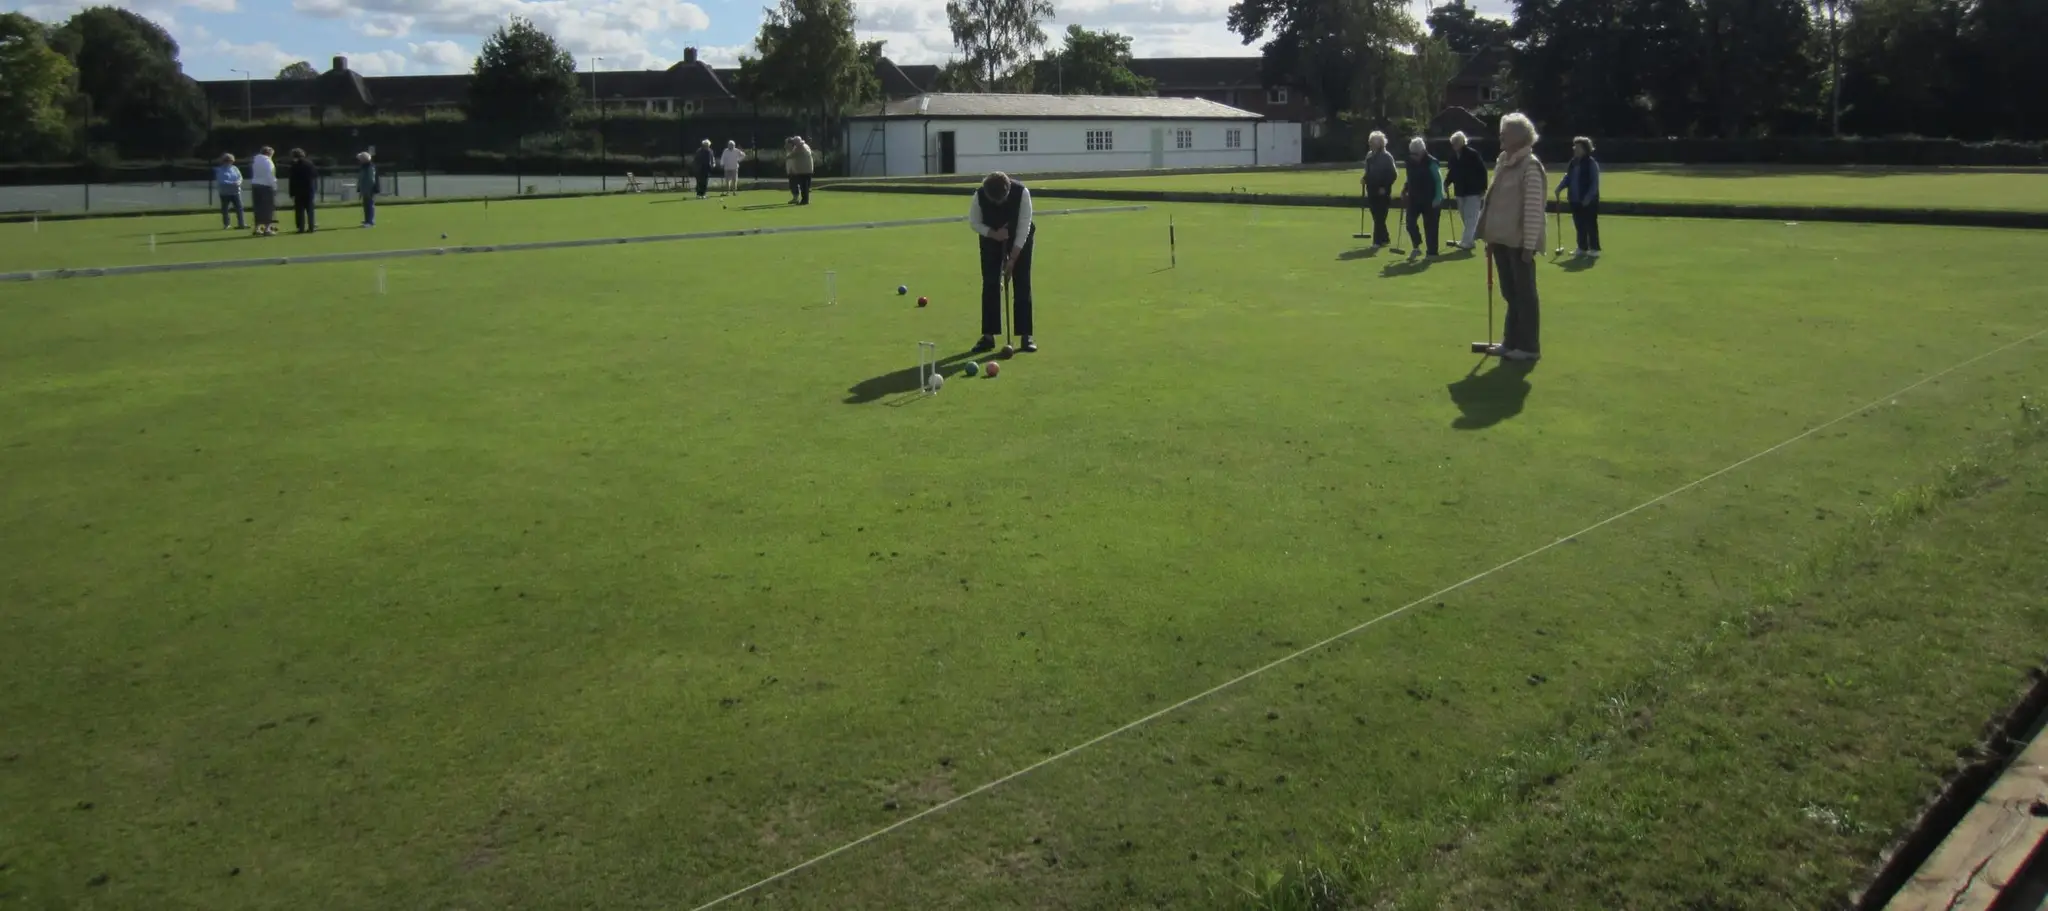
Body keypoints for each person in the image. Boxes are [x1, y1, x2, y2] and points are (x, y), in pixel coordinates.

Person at [1477, 113, 1548, 362]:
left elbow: (1532, 209)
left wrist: (1529, 246)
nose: (1501, 137)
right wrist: (1489, 235)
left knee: (1524, 294)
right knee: (1510, 293)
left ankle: (1529, 346)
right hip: (1501, 240)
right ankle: (1511, 342)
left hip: (1519, 243)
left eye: (1505, 133)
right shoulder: (1503, 162)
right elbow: (1494, 203)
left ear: (1519, 137)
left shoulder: (1530, 166)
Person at [968, 171, 1037, 354]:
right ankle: (988, 336)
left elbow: (1024, 227)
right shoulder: (979, 195)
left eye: (1001, 200)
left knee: (1022, 281)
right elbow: (974, 222)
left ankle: (1025, 335)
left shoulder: (1022, 193)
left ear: (1007, 192)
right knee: (990, 282)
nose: (998, 204)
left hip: (1020, 238)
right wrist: (993, 233)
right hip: (990, 237)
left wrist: (1012, 259)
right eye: (994, 201)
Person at [1400, 136, 1445, 261]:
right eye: (1412, 154)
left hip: (1431, 198)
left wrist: (1438, 197)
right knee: (1410, 222)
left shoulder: (1432, 162)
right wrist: (1404, 189)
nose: (1414, 156)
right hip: (1414, 198)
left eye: (1416, 154)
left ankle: (1432, 252)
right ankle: (1416, 246)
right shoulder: (1410, 162)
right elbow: (1410, 178)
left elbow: (1438, 181)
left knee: (1431, 226)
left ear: (1423, 151)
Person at [1556, 136, 1602, 258]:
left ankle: (1595, 248)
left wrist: (1588, 198)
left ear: (1585, 149)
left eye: (1578, 147)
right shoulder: (1573, 162)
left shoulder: (1591, 163)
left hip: (1589, 201)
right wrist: (1559, 187)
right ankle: (1582, 247)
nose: (1575, 149)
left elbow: (1594, 183)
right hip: (1575, 199)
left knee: (1590, 224)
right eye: (1574, 146)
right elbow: (1568, 177)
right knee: (1579, 224)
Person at [1445, 131, 1488, 250]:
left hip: (1473, 190)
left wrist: (1483, 188)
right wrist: (1446, 183)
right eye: (1452, 143)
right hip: (1460, 191)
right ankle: (1472, 238)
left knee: (1471, 217)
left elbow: (1482, 171)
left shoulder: (1472, 154)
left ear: (1462, 142)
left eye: (1456, 142)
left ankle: (1466, 242)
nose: (1454, 145)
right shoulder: (1454, 157)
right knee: (1465, 216)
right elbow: (1452, 172)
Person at [1359, 131, 1397, 248]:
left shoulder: (1386, 157)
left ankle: (1377, 242)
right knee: (1376, 216)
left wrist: (1384, 187)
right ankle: (1385, 238)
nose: (1370, 144)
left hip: (1383, 191)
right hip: (1371, 189)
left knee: (1380, 216)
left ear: (1380, 143)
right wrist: (1364, 178)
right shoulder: (1369, 156)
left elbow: (1393, 174)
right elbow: (1368, 171)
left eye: (1373, 142)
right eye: (1370, 142)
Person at [287, 148, 318, 234]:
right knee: (310, 209)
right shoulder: (309, 164)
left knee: (299, 210)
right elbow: (315, 176)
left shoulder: (294, 165)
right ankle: (311, 226)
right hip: (309, 189)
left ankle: (301, 228)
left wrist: (291, 192)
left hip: (298, 190)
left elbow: (292, 180)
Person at [250, 146, 278, 236]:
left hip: (255, 185)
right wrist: (274, 186)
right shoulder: (268, 162)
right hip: (266, 186)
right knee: (268, 208)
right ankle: (267, 229)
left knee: (258, 208)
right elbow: (270, 175)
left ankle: (257, 228)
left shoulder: (255, 161)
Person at [214, 153, 246, 230]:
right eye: (228, 161)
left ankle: (241, 223)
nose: (230, 163)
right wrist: (232, 183)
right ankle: (226, 224)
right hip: (225, 192)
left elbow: (240, 177)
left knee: (239, 208)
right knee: (225, 209)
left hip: (235, 192)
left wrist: (238, 182)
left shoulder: (235, 168)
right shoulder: (220, 170)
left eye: (231, 161)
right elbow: (221, 181)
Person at [786, 136, 814, 205]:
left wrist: (787, 157)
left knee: (803, 186)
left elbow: (791, 155)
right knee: (805, 186)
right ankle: (805, 200)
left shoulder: (799, 147)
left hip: (803, 170)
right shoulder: (805, 146)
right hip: (807, 169)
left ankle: (804, 201)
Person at [355, 151, 377, 227]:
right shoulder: (364, 167)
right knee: (366, 205)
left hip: (369, 189)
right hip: (365, 189)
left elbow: (371, 179)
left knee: (369, 204)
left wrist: (369, 189)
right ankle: (367, 220)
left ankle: (370, 221)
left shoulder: (370, 167)